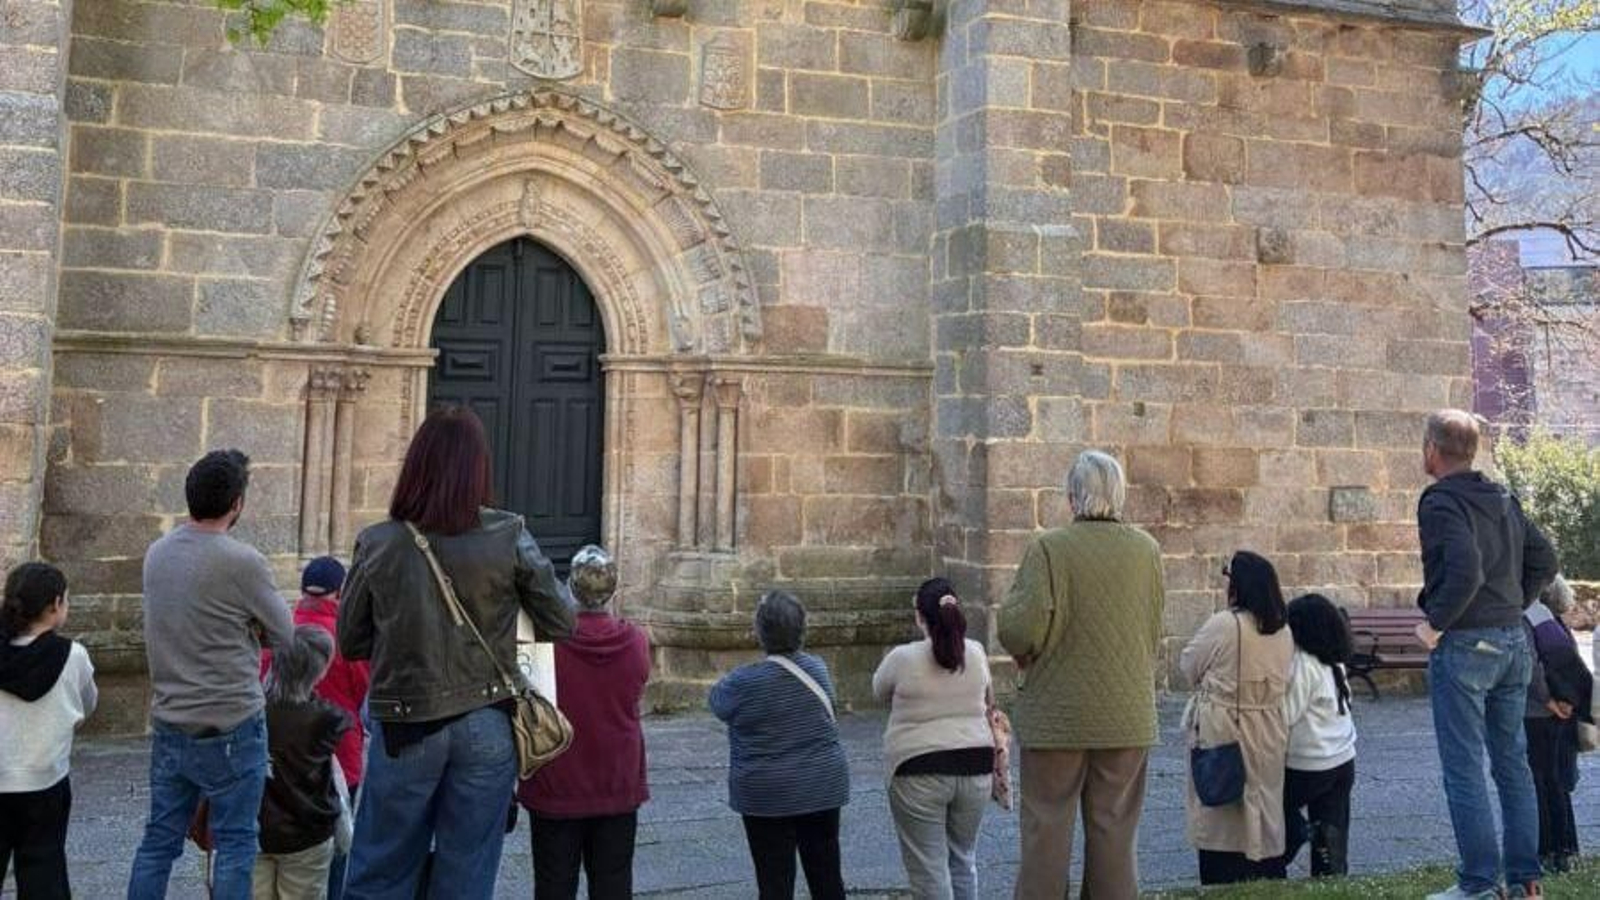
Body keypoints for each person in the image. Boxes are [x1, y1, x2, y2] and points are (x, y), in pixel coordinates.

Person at [337, 406, 574, 900]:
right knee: (467, 877)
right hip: (488, 722)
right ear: (479, 469)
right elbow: (560, 620)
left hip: (405, 725)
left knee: (381, 871)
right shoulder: (509, 534)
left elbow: (351, 641)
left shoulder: (378, 543)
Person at [996, 450, 1165, 900]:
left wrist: (1027, 652)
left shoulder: (1049, 549)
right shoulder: (1147, 551)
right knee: (1114, 831)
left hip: (1057, 714)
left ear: (1073, 497)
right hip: (1127, 712)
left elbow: (1017, 629)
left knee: (1046, 830)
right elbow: (1152, 625)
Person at [129, 449, 296, 900]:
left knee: (158, 841)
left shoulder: (157, 553)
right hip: (231, 725)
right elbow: (285, 632)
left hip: (170, 721)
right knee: (238, 842)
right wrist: (250, 629)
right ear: (237, 503)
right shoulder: (242, 561)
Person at [1412, 410, 1559, 900]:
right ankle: (1525, 881)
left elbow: (1466, 570)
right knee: (1512, 765)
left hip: (1466, 644)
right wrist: (1515, 602)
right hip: (1514, 642)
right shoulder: (1501, 496)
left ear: (1433, 449)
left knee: (1464, 767)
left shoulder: (1439, 502)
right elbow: (1545, 558)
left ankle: (1478, 883)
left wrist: (1436, 623)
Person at [516, 545, 650, 899]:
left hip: (558, 782)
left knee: (553, 885)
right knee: (614, 884)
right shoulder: (635, 642)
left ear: (570, 588)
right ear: (614, 590)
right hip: (616, 780)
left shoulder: (549, 642)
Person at [709, 591, 849, 900]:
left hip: (767, 793)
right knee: (827, 877)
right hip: (822, 786)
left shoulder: (744, 681)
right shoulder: (818, 669)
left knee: (774, 882)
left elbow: (717, 703)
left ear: (760, 633)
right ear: (802, 630)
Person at [872, 578, 994, 900]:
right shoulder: (977, 653)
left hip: (918, 769)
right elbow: (988, 698)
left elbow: (878, 691)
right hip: (976, 765)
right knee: (963, 860)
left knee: (929, 870)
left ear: (920, 616)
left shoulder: (903, 658)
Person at [1180, 550, 1294, 885]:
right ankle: (1266, 868)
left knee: (1223, 807)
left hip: (1226, 725)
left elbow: (1189, 666)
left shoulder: (1225, 625)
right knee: (1263, 800)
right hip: (1269, 725)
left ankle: (1223, 875)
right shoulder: (1283, 630)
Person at [261, 556, 368, 900]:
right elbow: (365, 692)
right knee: (336, 839)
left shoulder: (280, 631)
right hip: (339, 754)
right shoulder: (347, 638)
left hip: (276, 753)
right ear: (340, 592)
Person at [0, 563, 97, 900]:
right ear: (55, 604)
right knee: (44, 873)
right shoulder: (74, 657)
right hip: (45, 780)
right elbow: (86, 706)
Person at [254, 625, 351, 900]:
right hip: (306, 830)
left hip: (254, 827)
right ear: (317, 672)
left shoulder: (252, 712)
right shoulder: (326, 720)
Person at [1278, 594, 1358, 878]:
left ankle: (1292, 838)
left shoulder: (1302, 664)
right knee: (1332, 830)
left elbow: (1285, 716)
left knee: (1272, 809)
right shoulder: (1334, 662)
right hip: (1342, 759)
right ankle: (1331, 878)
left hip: (1308, 763)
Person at [1523, 575, 1589, 876]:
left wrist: (1548, 699)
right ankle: (1567, 848)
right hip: (1562, 710)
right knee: (1558, 780)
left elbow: (1529, 664)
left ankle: (1548, 849)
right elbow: (1572, 664)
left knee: (1540, 781)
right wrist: (1567, 700)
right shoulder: (1552, 622)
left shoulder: (1526, 616)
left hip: (1536, 711)